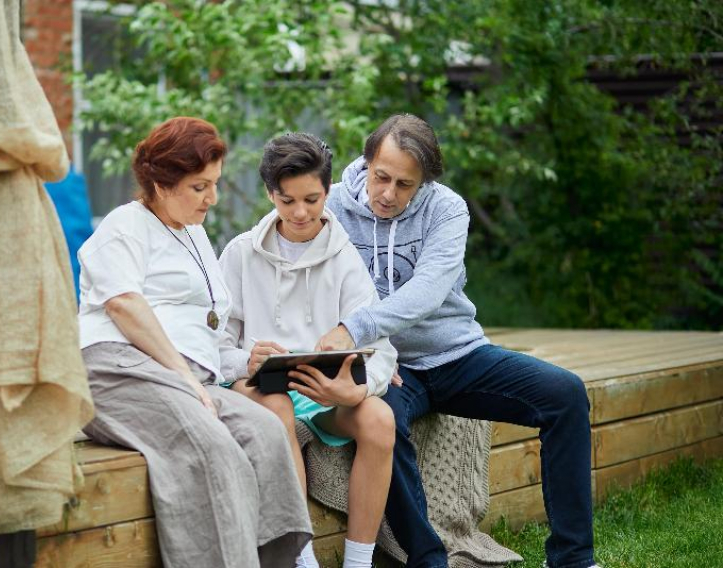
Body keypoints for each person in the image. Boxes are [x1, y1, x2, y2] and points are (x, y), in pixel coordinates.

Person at [317, 114, 601, 568]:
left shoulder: (447, 209)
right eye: (381, 177)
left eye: (405, 185)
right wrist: (363, 351)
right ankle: (428, 560)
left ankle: (573, 558)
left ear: (424, 182)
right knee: (382, 418)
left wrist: (355, 328)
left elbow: (427, 292)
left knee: (565, 393)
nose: (388, 194)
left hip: (456, 355)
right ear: (366, 162)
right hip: (386, 367)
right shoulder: (329, 206)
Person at [76, 117, 313, 568]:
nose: (213, 198)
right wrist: (184, 378)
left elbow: (204, 334)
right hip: (117, 367)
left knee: (265, 433)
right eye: (200, 187)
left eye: (215, 184)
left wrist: (247, 361)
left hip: (188, 378)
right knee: (211, 446)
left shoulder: (195, 235)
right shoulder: (125, 225)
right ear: (162, 184)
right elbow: (124, 305)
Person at [218, 132, 398, 568]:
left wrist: (357, 391)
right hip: (261, 389)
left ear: (327, 191)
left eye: (312, 200)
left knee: (379, 418)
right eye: (287, 200)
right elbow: (212, 348)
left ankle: (358, 561)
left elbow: (382, 349)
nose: (300, 213)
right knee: (277, 404)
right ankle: (303, 558)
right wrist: (247, 360)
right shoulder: (241, 254)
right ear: (270, 194)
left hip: (324, 396)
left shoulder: (344, 258)